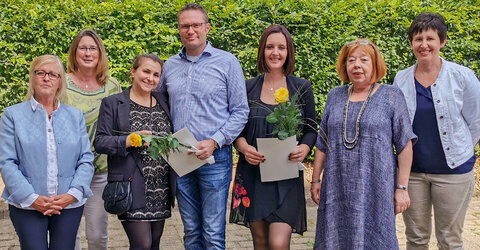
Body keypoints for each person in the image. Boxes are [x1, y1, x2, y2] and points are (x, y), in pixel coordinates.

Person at [311, 39, 417, 249]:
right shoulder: (335, 95)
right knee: (335, 236)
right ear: (344, 66)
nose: (356, 65)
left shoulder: (391, 95)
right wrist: (315, 180)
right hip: (336, 186)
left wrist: (402, 188)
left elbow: (405, 144)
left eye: (363, 60)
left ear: (375, 64)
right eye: (351, 60)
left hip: (376, 187)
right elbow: (322, 142)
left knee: (376, 237)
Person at [158, 3, 249, 249]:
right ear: (179, 30)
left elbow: (241, 111)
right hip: (181, 158)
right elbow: (158, 105)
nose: (190, 30)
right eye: (185, 26)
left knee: (212, 234)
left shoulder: (227, 62)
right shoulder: (169, 66)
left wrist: (215, 141)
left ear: (207, 27)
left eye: (196, 25)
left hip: (214, 158)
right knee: (191, 232)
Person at [393, 13, 480, 250]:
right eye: (417, 39)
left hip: (453, 173)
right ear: (411, 43)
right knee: (416, 239)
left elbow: (476, 121)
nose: (423, 45)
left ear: (442, 41)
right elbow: (398, 127)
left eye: (430, 38)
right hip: (413, 175)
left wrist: (463, 151)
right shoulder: (400, 80)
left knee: (450, 240)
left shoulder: (462, 77)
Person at [229, 25, 317, 249]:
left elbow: (311, 129)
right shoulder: (247, 88)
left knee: (278, 244)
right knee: (260, 242)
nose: (275, 52)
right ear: (262, 50)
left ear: (289, 52)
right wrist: (244, 148)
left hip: (286, 176)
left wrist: (305, 149)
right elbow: (237, 130)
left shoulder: (301, 88)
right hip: (253, 174)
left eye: (281, 47)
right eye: (269, 47)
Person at [0, 55, 94, 250]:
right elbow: (7, 162)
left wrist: (72, 194)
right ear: (32, 78)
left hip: (68, 204)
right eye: (40, 72)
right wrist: (32, 198)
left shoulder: (74, 116)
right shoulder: (12, 115)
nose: (46, 78)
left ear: (60, 82)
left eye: (53, 74)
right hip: (26, 204)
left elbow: (85, 159)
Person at [94, 54, 175, 250]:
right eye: (146, 71)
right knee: (142, 245)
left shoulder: (164, 100)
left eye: (156, 75)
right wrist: (128, 140)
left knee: (154, 244)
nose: (150, 78)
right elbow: (100, 141)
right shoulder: (113, 103)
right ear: (133, 71)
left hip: (161, 187)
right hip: (131, 185)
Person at [67, 29, 122, 250]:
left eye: (93, 48)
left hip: (101, 170)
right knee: (69, 234)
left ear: (100, 53)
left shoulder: (112, 86)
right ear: (74, 53)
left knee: (98, 234)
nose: (88, 53)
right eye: (83, 48)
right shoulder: (62, 83)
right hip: (67, 171)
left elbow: (120, 126)